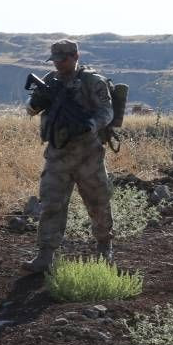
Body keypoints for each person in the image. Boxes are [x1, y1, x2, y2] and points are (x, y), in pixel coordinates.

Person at [22, 40, 117, 273]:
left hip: (88, 156)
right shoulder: (51, 80)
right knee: (51, 204)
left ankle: (105, 248)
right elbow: (30, 109)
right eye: (55, 60)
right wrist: (35, 102)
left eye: (62, 59)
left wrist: (90, 125)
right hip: (57, 155)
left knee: (98, 203)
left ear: (76, 56)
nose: (58, 64)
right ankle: (45, 255)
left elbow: (107, 112)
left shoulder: (93, 82)